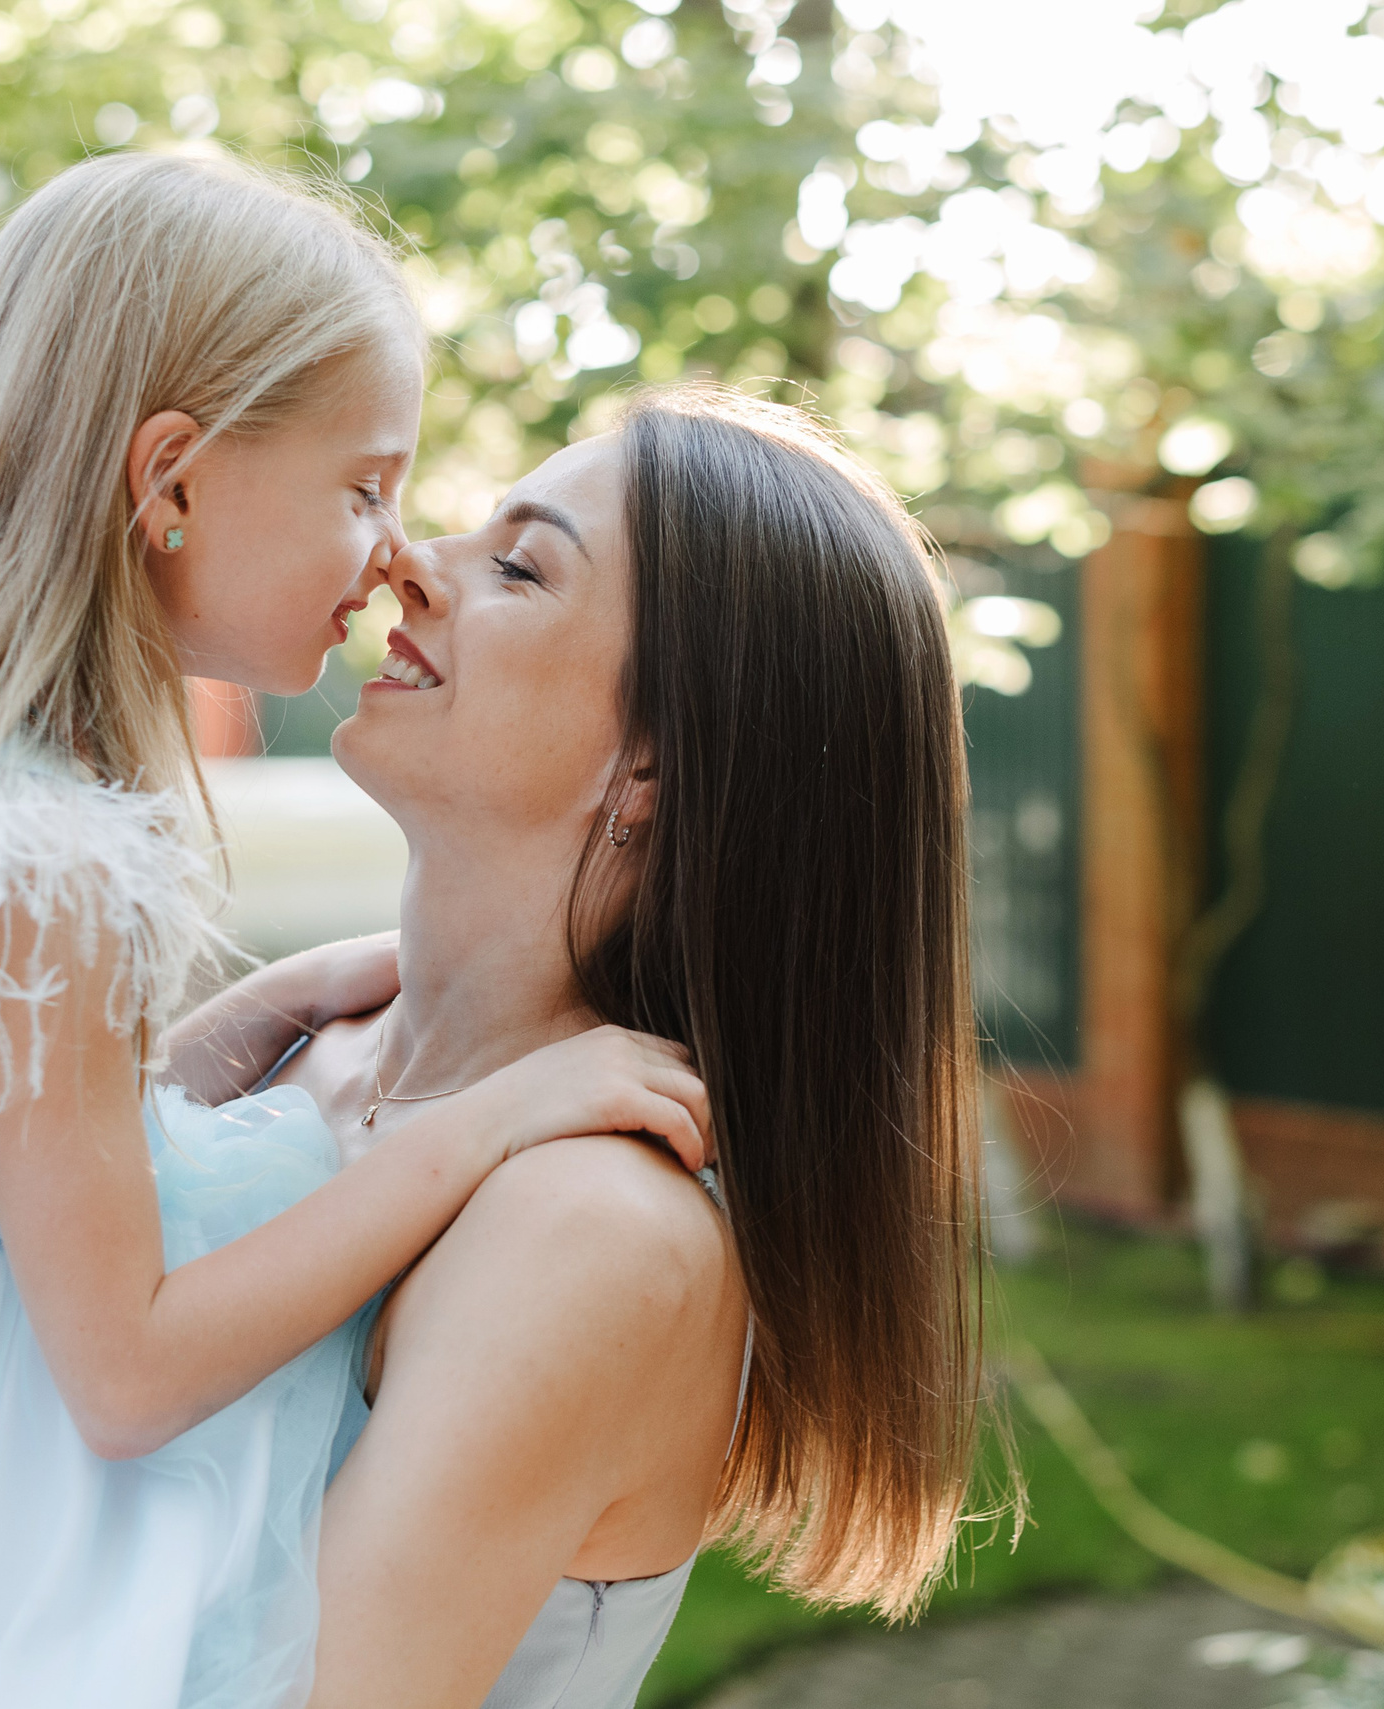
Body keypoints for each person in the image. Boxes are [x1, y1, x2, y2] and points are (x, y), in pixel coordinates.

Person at [0, 151, 707, 1709]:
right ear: (173, 477)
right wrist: (476, 1129)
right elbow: (126, 1374)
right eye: (363, 485)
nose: (393, 550)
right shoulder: (52, 863)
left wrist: (220, 1033)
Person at [245, 386, 1023, 1709]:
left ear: (651, 757)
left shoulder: (597, 1227)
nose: (406, 566)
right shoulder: (299, 1042)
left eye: (519, 566)